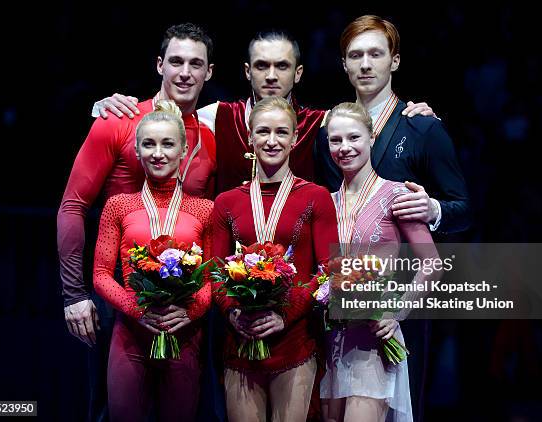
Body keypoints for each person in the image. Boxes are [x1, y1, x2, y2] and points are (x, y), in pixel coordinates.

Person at [313, 16, 471, 421]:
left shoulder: (422, 127)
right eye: (356, 55)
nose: (365, 64)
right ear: (344, 64)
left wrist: (433, 209)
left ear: (394, 62)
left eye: (375, 54)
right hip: (337, 309)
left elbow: (464, 208)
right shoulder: (328, 130)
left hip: (402, 305)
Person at [57, 23, 216, 421]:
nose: (185, 73)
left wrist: (198, 301)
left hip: (184, 295)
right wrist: (74, 295)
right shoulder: (118, 120)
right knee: (113, 410)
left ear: (209, 72)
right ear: (159, 65)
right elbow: (72, 205)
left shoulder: (208, 138)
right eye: (176, 62)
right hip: (119, 284)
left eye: (195, 64)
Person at [93, 30, 434, 195]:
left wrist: (412, 114)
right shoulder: (215, 116)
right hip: (227, 267)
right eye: (262, 66)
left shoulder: (321, 122)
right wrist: (108, 106)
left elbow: (375, 123)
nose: (271, 75)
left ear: (297, 73)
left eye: (281, 66)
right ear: (247, 71)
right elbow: (164, 114)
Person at [212, 96, 338, 422]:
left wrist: (286, 314)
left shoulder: (317, 197)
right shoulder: (226, 202)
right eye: (263, 132)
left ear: (295, 138)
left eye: (282, 132)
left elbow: (329, 269)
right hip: (241, 340)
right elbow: (214, 271)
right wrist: (234, 312)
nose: (272, 141)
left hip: (294, 341)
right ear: (250, 136)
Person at [320, 102, 441, 422]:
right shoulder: (324, 203)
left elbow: (432, 263)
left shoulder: (397, 195)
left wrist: (397, 311)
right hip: (330, 341)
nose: (344, 148)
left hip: (374, 340)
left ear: (372, 137)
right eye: (335, 140)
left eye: (354, 138)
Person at [93, 100, 213, 421]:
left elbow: (213, 277)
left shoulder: (205, 209)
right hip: (130, 336)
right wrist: (136, 309)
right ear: (136, 149)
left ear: (184, 150)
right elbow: (102, 274)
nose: (158, 152)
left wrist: (189, 312)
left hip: (183, 336)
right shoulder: (118, 206)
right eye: (149, 143)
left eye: (167, 143)